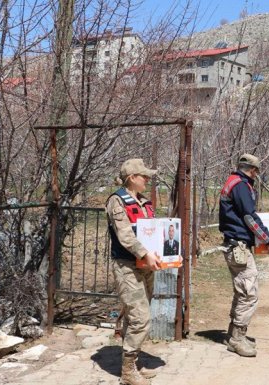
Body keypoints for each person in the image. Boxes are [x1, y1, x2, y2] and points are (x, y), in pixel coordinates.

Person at [105, 158, 162, 385]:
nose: (147, 179)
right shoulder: (117, 201)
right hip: (127, 266)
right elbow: (125, 236)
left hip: (145, 266)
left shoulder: (144, 201)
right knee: (140, 318)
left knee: (134, 317)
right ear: (131, 178)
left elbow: (153, 232)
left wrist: (162, 253)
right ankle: (128, 372)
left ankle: (132, 363)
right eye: (144, 175)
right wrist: (145, 253)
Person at [218, 153, 269, 357]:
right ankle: (237, 339)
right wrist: (268, 239)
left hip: (234, 244)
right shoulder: (241, 185)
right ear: (253, 171)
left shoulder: (233, 181)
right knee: (248, 293)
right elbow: (249, 217)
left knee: (241, 291)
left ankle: (233, 334)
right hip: (238, 246)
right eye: (256, 172)